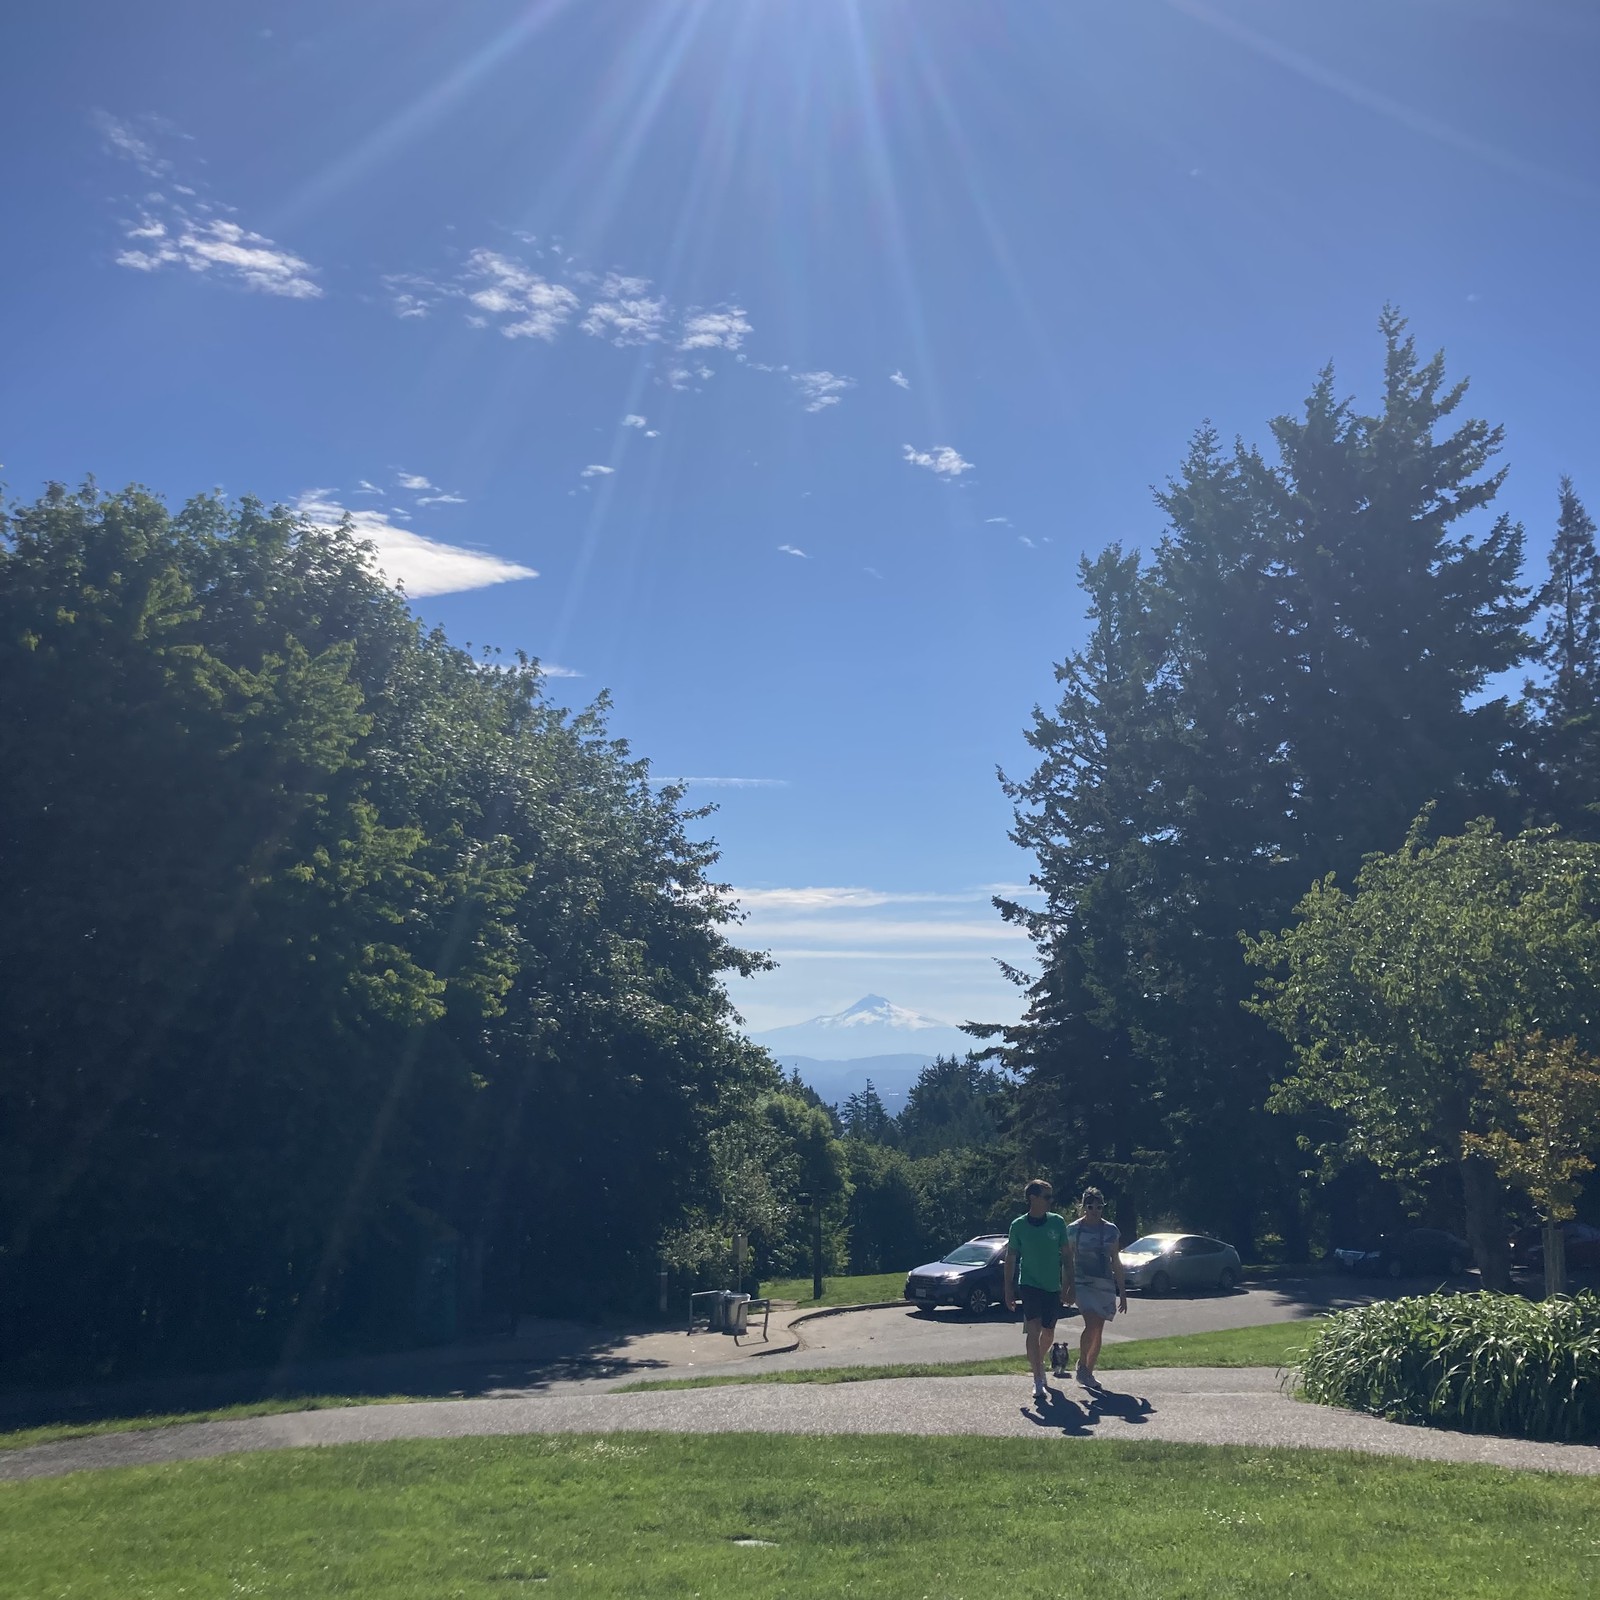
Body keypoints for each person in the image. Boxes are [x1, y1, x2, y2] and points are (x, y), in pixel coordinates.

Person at [1003, 1178, 1071, 1405]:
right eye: (1047, 1196)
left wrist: (1069, 1284)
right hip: (1029, 1285)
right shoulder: (1018, 1225)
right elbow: (1011, 1258)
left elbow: (1067, 1256)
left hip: (1052, 1285)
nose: (1051, 1201)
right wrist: (1008, 1289)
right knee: (1033, 1330)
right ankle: (1037, 1378)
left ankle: (1038, 1361)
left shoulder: (1057, 1223)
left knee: (1048, 1333)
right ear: (1033, 1198)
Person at [1065, 1186, 1127, 1391]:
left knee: (1098, 1328)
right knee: (1091, 1323)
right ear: (1084, 1207)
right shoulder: (1073, 1229)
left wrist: (1122, 1292)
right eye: (1091, 1207)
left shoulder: (1111, 1230)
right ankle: (1082, 1364)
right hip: (1083, 1283)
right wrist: (1066, 1286)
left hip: (1104, 1285)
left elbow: (1115, 1261)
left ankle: (1089, 1371)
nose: (1095, 1211)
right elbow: (1067, 1259)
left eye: (1099, 1207)